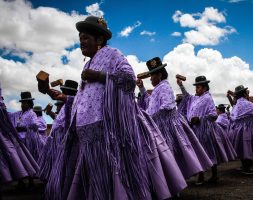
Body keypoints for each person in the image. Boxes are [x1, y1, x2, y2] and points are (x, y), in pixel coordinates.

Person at [44, 16, 186, 200]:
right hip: (88, 133)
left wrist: (101, 75)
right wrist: (66, 98)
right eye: (80, 38)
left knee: (117, 176)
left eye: (86, 37)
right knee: (96, 179)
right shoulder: (88, 63)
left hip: (109, 131)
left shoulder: (113, 55)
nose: (81, 42)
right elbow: (84, 97)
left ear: (100, 40)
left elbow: (128, 80)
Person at [137, 57, 213, 184]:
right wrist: (142, 88)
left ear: (159, 75)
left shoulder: (165, 87)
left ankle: (174, 184)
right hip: (159, 125)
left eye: (152, 75)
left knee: (169, 156)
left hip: (165, 127)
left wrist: (151, 120)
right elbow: (151, 104)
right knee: (164, 157)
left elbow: (166, 107)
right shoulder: (158, 88)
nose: (150, 79)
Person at [177, 76, 236, 183]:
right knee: (198, 152)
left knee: (208, 151)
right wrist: (181, 85)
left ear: (204, 88)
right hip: (196, 130)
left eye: (198, 87)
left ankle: (212, 175)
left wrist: (199, 119)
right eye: (196, 87)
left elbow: (213, 115)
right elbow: (187, 97)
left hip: (206, 131)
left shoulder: (208, 98)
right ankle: (202, 175)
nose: (196, 89)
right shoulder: (196, 98)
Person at [37, 80, 78, 181]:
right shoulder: (64, 107)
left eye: (66, 92)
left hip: (64, 143)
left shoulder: (75, 106)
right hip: (55, 143)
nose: (63, 94)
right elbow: (58, 119)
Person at [0, 83, 39, 189]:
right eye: (22, 103)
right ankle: (21, 181)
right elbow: (7, 116)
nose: (23, 105)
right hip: (18, 140)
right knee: (18, 161)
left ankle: (31, 181)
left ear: (29, 103)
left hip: (27, 141)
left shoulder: (32, 114)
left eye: (25, 103)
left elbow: (36, 125)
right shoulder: (18, 114)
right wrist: (2, 108)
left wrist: (24, 128)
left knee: (27, 160)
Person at [228, 85, 253, 174]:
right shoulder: (247, 103)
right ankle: (247, 168)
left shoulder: (237, 104)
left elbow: (233, 117)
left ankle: (244, 166)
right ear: (244, 93)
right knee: (247, 148)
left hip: (236, 130)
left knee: (241, 148)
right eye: (246, 92)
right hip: (247, 130)